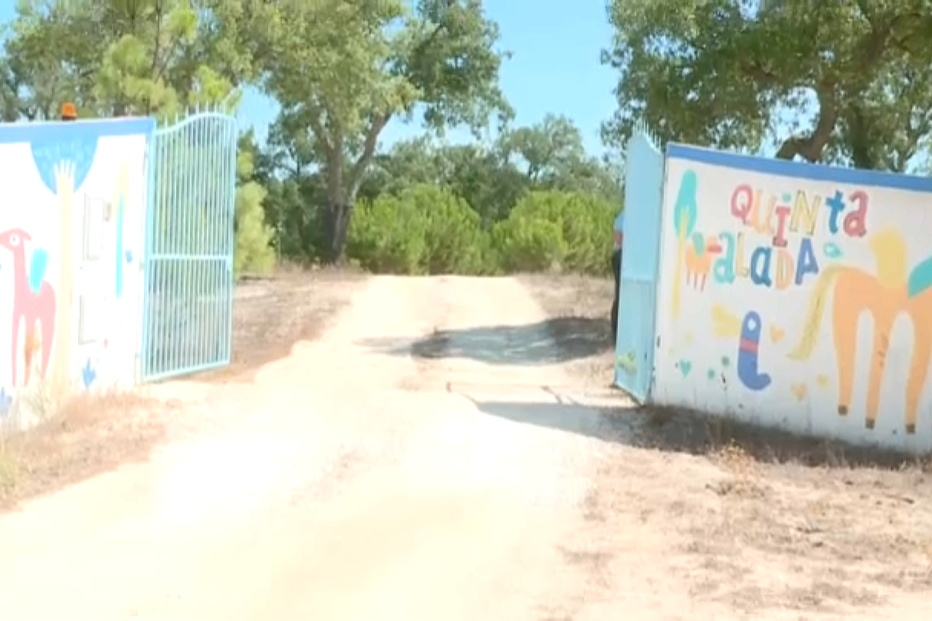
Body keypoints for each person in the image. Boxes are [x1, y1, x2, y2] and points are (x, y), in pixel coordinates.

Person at [611, 210, 624, 342]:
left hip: (627, 256)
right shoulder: (623, 217)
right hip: (620, 255)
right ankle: (616, 332)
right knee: (620, 295)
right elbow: (617, 237)